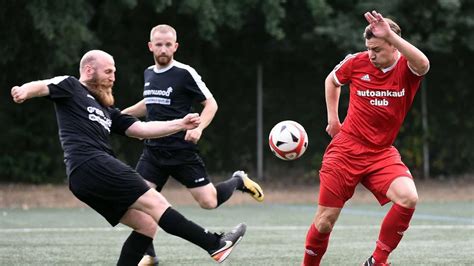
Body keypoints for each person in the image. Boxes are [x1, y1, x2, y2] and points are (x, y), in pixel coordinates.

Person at [11, 49, 247, 265]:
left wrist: (181, 123)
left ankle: (213, 246)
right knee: (156, 203)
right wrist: (24, 90)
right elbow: (43, 85)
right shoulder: (71, 86)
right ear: (89, 70)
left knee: (146, 224)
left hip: (84, 178)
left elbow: (143, 130)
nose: (113, 76)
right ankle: (215, 244)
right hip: (91, 164)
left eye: (114, 71)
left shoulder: (107, 111)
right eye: (108, 71)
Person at [121, 24, 264, 265]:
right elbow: (149, 102)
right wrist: (120, 116)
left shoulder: (185, 73)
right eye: (159, 44)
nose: (164, 49)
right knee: (139, 200)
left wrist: (198, 129)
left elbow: (211, 104)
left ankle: (238, 180)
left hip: (181, 151)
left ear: (175, 46)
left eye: (168, 45)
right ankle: (150, 255)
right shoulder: (148, 72)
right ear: (150, 46)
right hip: (153, 152)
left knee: (208, 202)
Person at [302, 11, 430, 266]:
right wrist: (333, 120)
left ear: (394, 46)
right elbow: (332, 80)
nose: (371, 54)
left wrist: (390, 34)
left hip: (381, 153)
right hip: (346, 150)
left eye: (377, 49)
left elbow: (424, 64)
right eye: (368, 48)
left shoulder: (407, 68)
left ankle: (377, 261)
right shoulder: (357, 62)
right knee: (325, 220)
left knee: (408, 197)